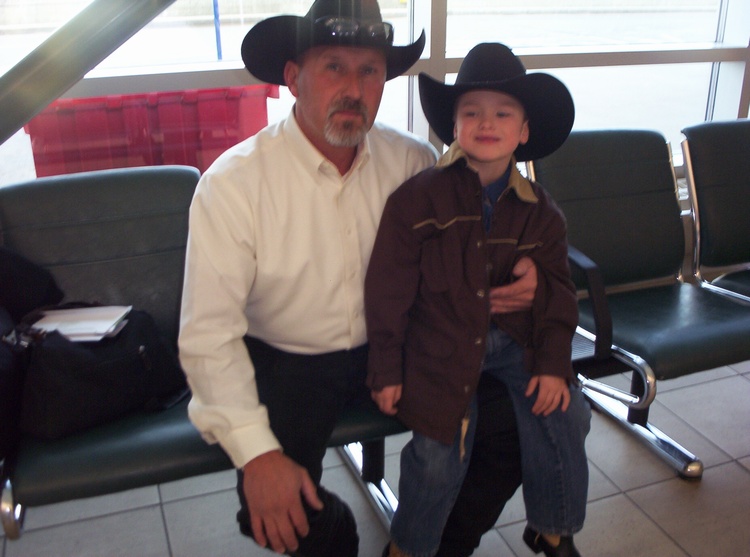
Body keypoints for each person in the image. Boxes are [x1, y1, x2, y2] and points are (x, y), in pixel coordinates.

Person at [178, 1, 537, 555]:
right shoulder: (233, 185)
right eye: (334, 68)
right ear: (294, 78)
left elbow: (481, 239)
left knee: (516, 421)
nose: (354, 88)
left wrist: (524, 267)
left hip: (401, 348)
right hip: (288, 357)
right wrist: (259, 457)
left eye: (369, 71)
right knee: (275, 509)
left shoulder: (414, 162)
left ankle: (434, 546)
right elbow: (207, 337)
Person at [366, 43, 592, 557]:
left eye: (503, 113)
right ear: (454, 126)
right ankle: (410, 546)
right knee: (441, 447)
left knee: (565, 412)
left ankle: (553, 528)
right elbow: (388, 290)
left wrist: (554, 364)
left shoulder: (542, 214)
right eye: (471, 112)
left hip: (514, 341)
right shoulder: (418, 200)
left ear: (524, 131)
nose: (486, 123)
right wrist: (386, 367)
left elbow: (557, 294)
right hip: (439, 342)